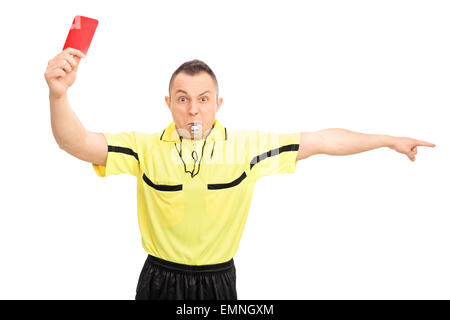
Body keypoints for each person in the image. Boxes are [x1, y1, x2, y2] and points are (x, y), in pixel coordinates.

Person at [44, 47, 436, 300]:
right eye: (182, 100)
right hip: (160, 280)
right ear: (169, 103)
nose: (193, 110)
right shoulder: (144, 148)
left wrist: (388, 140)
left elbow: (323, 140)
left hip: (219, 281)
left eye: (203, 99)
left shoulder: (246, 149)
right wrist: (58, 94)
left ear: (218, 103)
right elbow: (75, 143)